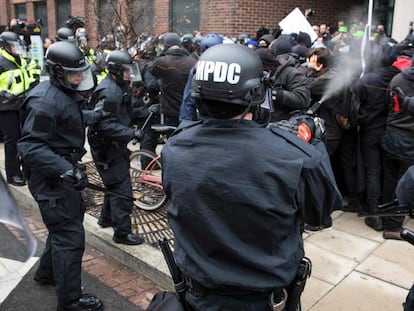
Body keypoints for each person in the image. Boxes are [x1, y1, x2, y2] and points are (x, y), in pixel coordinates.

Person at [162, 44, 342, 311]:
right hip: (263, 301)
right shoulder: (292, 156)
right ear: (257, 92)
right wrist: (311, 140)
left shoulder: (174, 148)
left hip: (198, 297)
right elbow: (320, 214)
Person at [18, 41, 103, 311]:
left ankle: (47, 274)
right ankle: (70, 302)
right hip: (53, 178)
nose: (79, 78)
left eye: (80, 73)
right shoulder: (45, 101)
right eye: (73, 74)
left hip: (62, 172)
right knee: (69, 236)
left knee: (61, 229)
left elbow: (68, 120)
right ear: (56, 72)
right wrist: (65, 169)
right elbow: (30, 146)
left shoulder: (63, 94)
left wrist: (94, 116)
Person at [87, 50, 145, 245]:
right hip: (106, 147)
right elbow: (104, 125)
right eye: (126, 70)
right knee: (122, 190)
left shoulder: (119, 87)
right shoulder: (110, 92)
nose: (130, 74)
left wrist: (146, 111)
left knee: (114, 184)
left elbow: (125, 112)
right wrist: (131, 134)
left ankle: (106, 218)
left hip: (113, 146)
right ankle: (122, 233)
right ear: (116, 71)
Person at [0, 31, 35, 186]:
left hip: (21, 104)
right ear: (6, 46)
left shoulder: (19, 60)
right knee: (12, 140)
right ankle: (12, 173)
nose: (17, 48)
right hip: (6, 107)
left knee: (25, 138)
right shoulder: (1, 61)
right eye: (14, 45)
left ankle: (25, 169)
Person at [150, 32, 197, 126]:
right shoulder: (193, 62)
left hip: (170, 111)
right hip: (189, 110)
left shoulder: (161, 62)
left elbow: (152, 73)